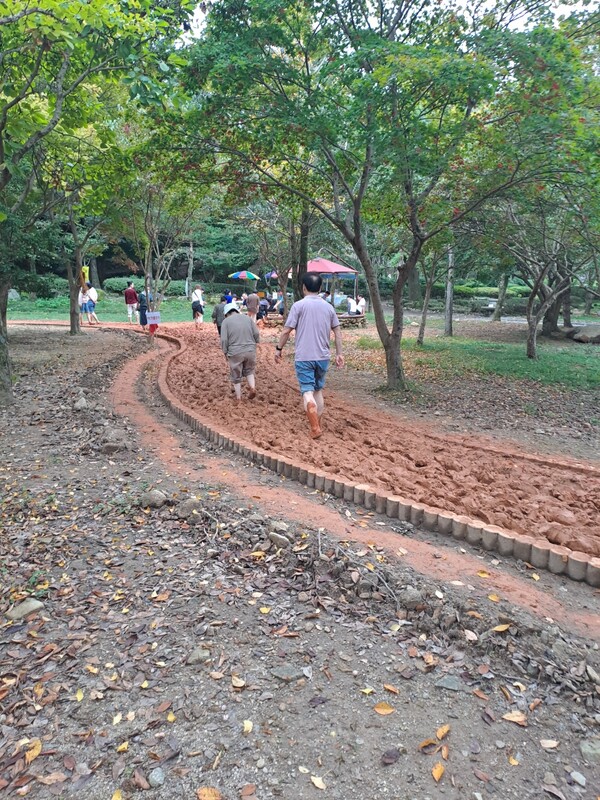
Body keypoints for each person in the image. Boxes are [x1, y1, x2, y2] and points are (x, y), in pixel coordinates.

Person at [275, 272, 344, 439]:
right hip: (323, 357)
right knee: (318, 390)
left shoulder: (298, 306)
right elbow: (337, 331)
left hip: (304, 356)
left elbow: (286, 330)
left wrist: (278, 348)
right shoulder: (329, 307)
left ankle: (314, 428)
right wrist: (339, 353)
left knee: (307, 392)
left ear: (303, 287)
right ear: (320, 288)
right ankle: (317, 423)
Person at [220, 301, 260, 402]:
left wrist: (225, 352)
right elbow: (256, 333)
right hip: (250, 349)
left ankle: (238, 397)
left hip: (235, 351)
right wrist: (256, 343)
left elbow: (224, 340)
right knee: (249, 370)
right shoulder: (247, 318)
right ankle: (252, 387)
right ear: (237, 310)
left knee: (235, 374)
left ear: (226, 314)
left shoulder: (226, 322)